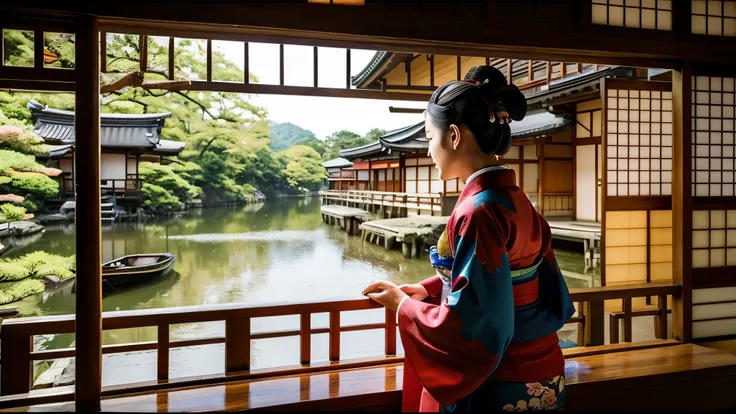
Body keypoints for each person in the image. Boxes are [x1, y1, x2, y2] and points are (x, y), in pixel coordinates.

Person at [361, 66, 576, 412]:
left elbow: (476, 316)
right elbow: (501, 275)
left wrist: (404, 306)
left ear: (455, 137)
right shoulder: (516, 199)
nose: (429, 150)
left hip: (503, 377)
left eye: (430, 137)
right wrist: (431, 289)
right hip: (543, 365)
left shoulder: (478, 212)